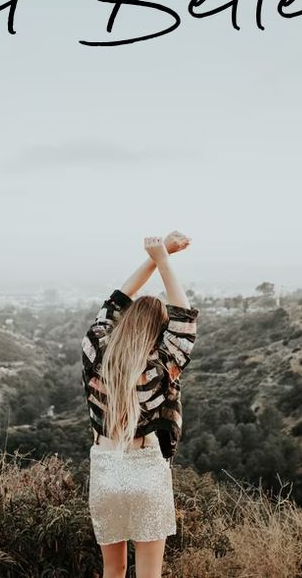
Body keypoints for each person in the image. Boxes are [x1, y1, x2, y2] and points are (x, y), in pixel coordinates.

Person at [81, 231, 198, 578]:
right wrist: (164, 259)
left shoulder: (95, 348)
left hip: (105, 469)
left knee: (112, 571)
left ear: (125, 321)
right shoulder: (162, 364)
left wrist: (154, 256)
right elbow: (185, 320)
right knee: (150, 574)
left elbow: (115, 300)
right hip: (146, 470)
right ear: (160, 333)